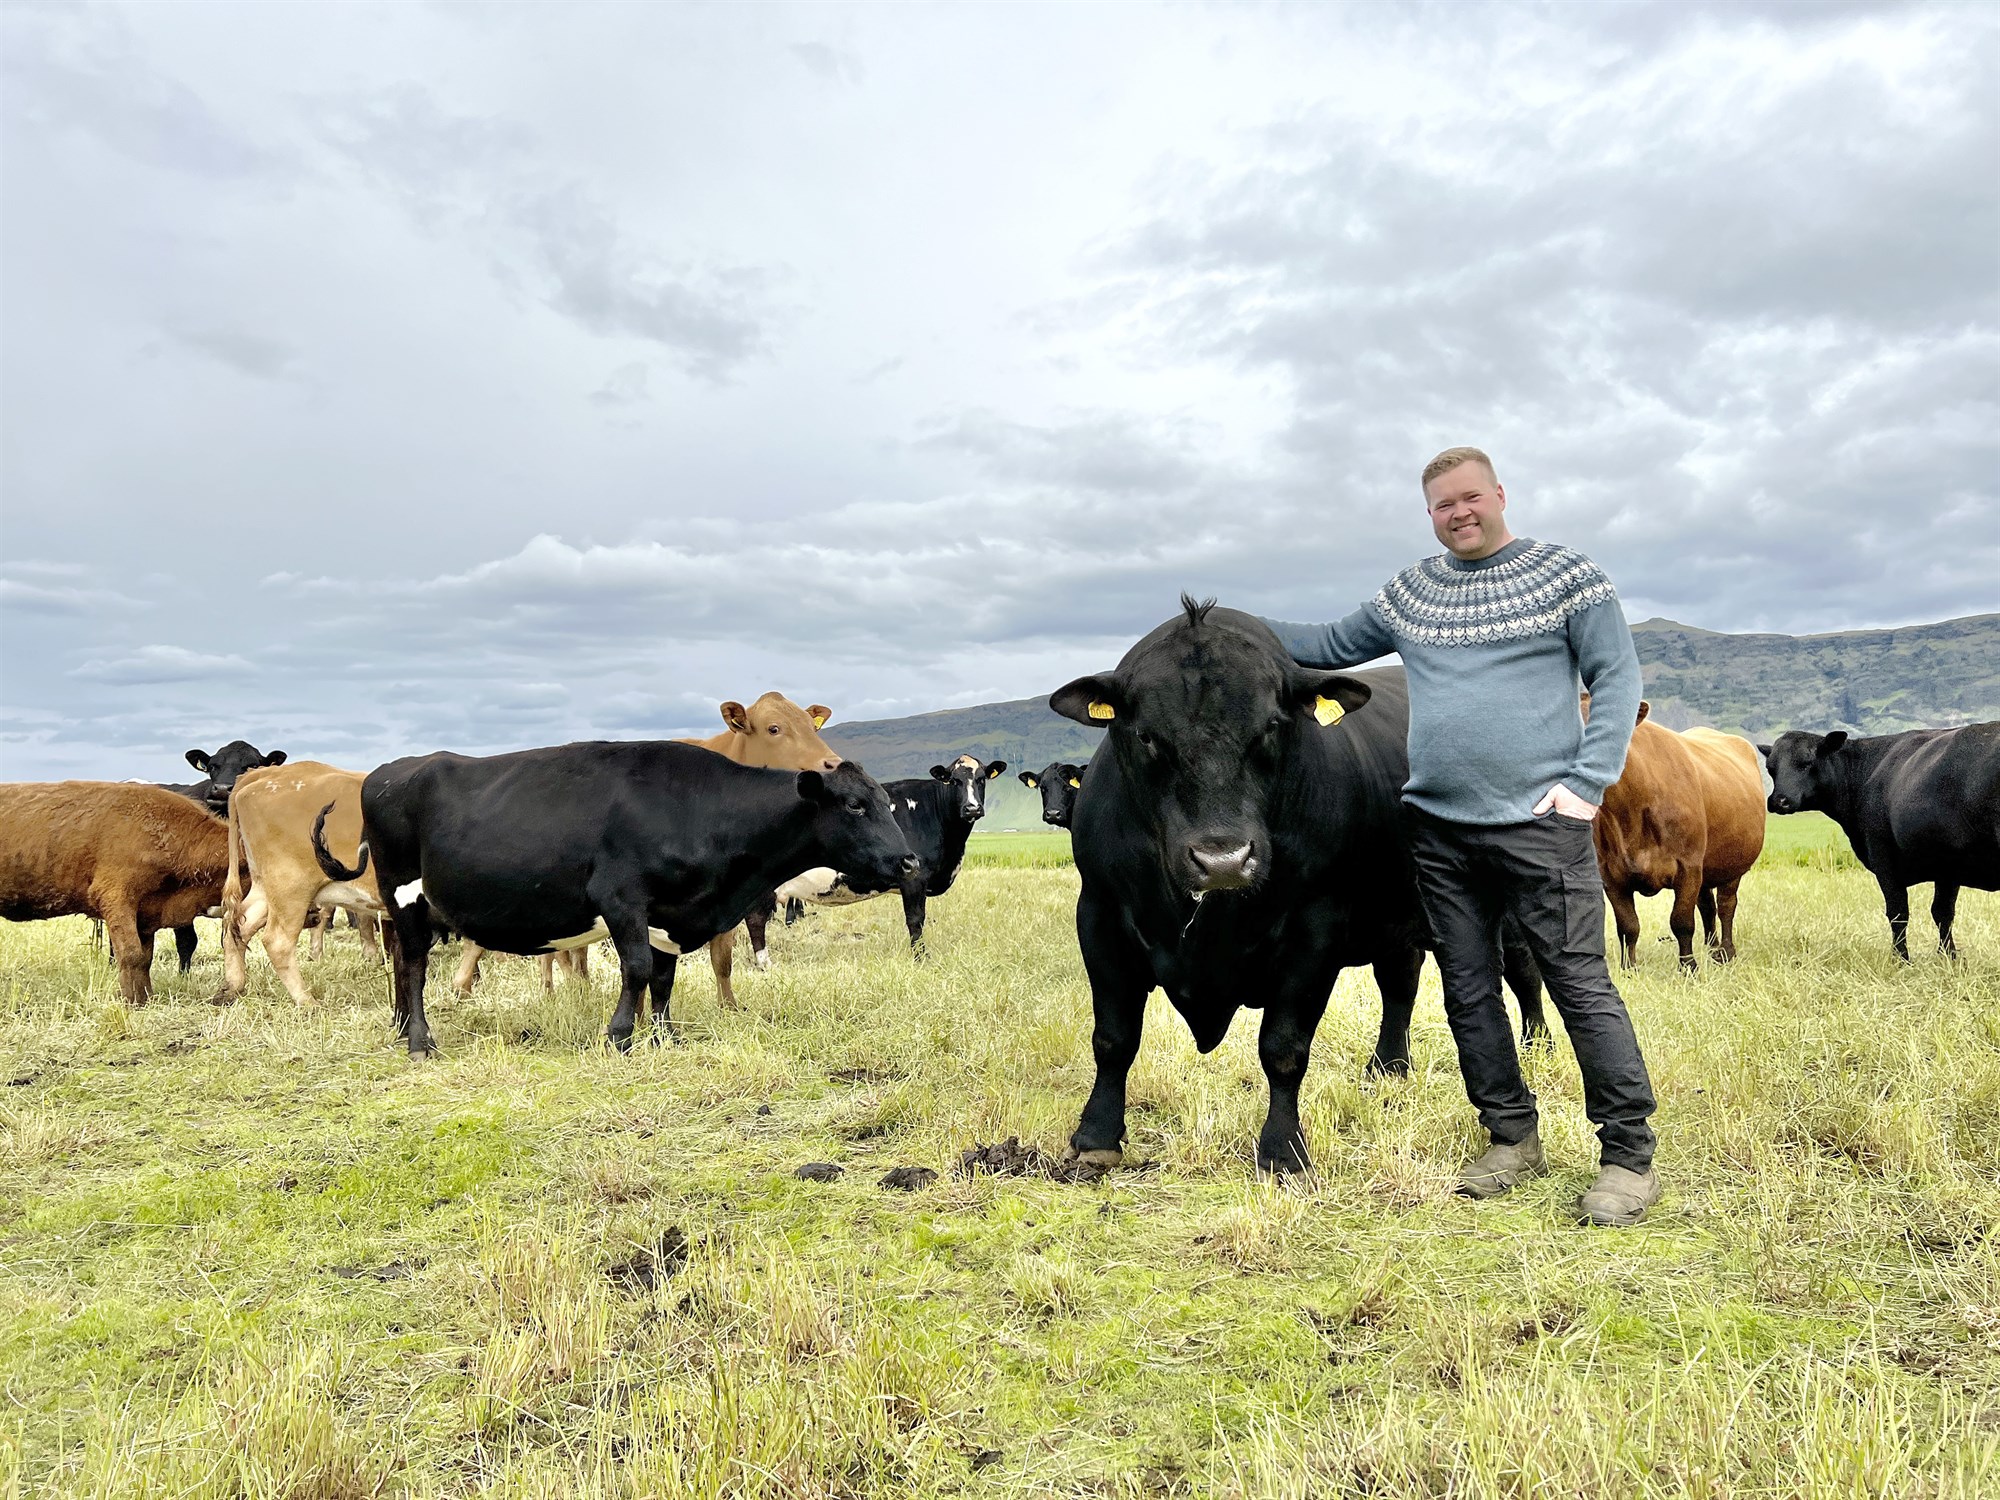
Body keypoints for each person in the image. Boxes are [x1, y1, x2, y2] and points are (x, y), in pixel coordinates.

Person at [1260, 447, 1659, 1227]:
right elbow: (1326, 645)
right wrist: (1222, 620)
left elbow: (1618, 678)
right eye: (1443, 505)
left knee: (1579, 986)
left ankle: (1627, 1157)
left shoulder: (1567, 577)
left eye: (1470, 497)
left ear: (1499, 494)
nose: (1459, 513)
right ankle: (1510, 1136)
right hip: (1438, 828)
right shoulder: (1412, 592)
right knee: (1468, 987)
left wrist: (1585, 786)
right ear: (1430, 514)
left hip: (1541, 825)